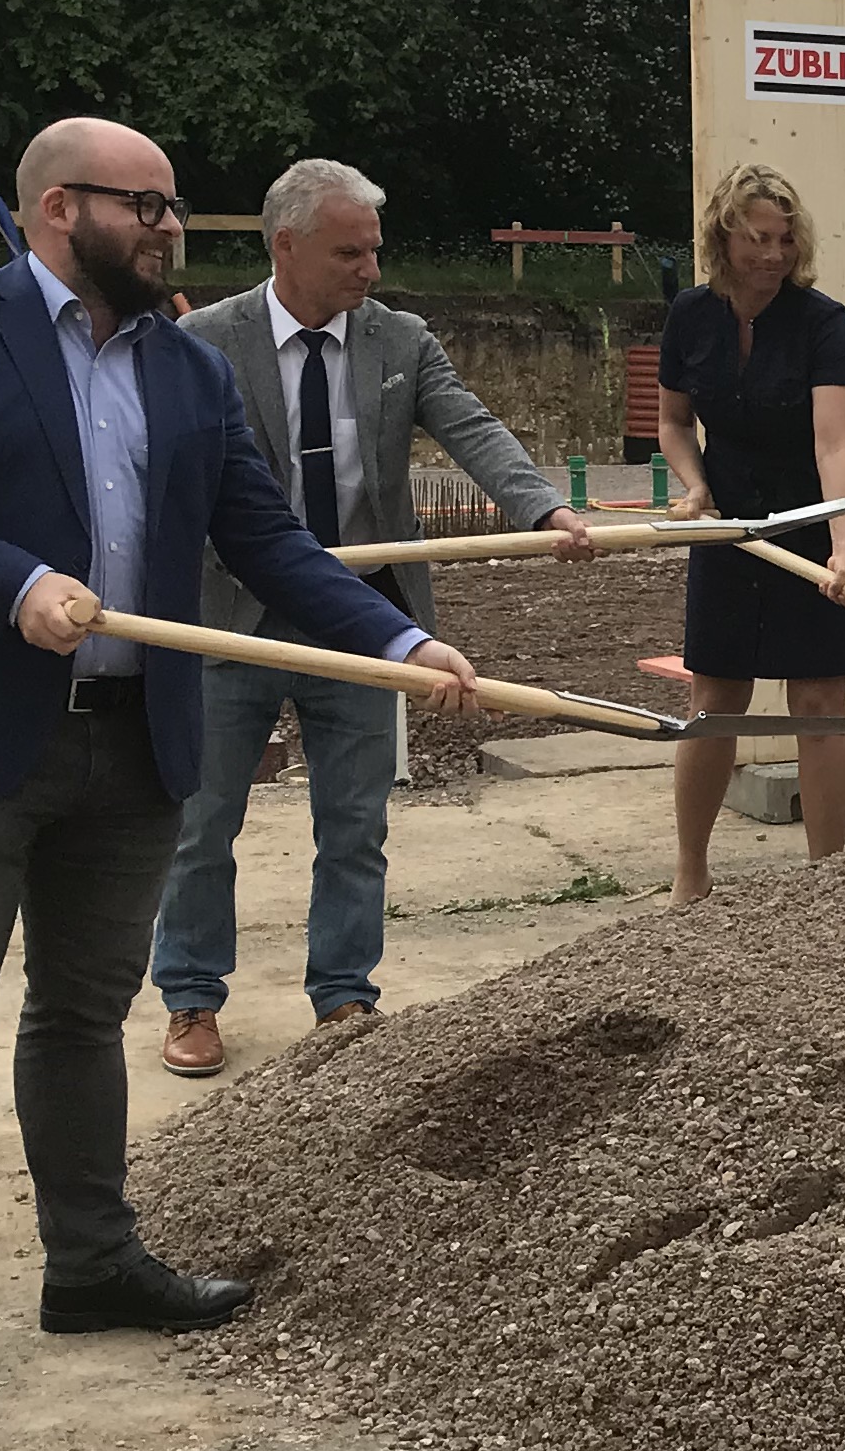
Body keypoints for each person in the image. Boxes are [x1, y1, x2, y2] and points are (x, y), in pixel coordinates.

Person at [0, 118, 481, 1426]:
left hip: (134, 742)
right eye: (146, 206)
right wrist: (13, 582)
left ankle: (92, 1263)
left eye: (173, 207)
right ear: (59, 208)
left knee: (80, 1013)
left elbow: (268, 541)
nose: (170, 228)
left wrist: (397, 640)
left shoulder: (186, 369)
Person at [152, 158, 590, 1072]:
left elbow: (472, 428)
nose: (371, 270)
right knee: (202, 822)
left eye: (374, 251)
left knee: (355, 823)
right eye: (350, 253)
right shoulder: (205, 342)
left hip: (364, 617)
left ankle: (344, 995)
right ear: (286, 246)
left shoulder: (401, 342)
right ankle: (190, 995)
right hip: (231, 616)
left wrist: (542, 508)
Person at [659, 163, 845, 894]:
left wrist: (843, 547)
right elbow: (673, 422)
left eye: (785, 239)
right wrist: (695, 486)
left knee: (818, 704)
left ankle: (825, 884)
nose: (773, 254)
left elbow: (834, 445)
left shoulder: (822, 321)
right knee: (714, 700)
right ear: (723, 237)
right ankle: (691, 875)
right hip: (731, 526)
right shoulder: (691, 315)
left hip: (816, 521)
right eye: (757, 238)